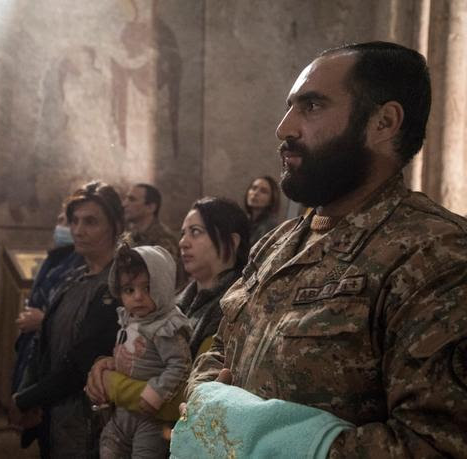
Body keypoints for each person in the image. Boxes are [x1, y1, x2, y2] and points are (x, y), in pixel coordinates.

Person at [180, 42, 467, 458]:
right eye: (290, 106)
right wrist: (209, 402)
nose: (284, 128)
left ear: (383, 122)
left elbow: (438, 443)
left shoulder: (437, 256)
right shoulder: (276, 245)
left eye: (311, 107)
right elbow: (221, 345)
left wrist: (257, 435)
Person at [86, 196, 250, 420]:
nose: (183, 242)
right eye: (183, 233)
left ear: (232, 241)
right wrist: (112, 364)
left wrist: (112, 384)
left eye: (195, 232)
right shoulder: (175, 301)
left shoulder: (232, 309)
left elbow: (188, 398)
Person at [10, 181, 124, 458]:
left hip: (90, 422)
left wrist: (27, 399)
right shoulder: (73, 278)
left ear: (115, 226)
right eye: (74, 221)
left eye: (91, 222)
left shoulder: (118, 285)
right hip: (54, 413)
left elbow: (81, 362)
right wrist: (29, 395)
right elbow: (43, 343)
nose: (78, 230)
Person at [98, 243, 192, 458]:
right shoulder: (130, 317)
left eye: (147, 288)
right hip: (122, 413)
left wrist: (156, 392)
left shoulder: (165, 325)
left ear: (163, 286)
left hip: (151, 418)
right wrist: (115, 363)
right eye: (129, 290)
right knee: (108, 448)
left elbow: (181, 364)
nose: (138, 297)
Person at [11, 211, 84, 394]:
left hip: (56, 355)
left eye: (65, 222)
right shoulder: (55, 258)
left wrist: (44, 321)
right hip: (35, 346)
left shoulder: (82, 264)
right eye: (58, 221)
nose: (59, 227)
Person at [123, 183, 179, 262]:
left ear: (150, 207)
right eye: (126, 199)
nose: (124, 204)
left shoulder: (164, 240)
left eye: (132, 200)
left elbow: (166, 272)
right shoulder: (128, 235)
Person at [244, 175, 280, 247]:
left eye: (263, 191)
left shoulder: (270, 226)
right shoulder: (245, 219)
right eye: (254, 188)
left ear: (271, 200)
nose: (255, 193)